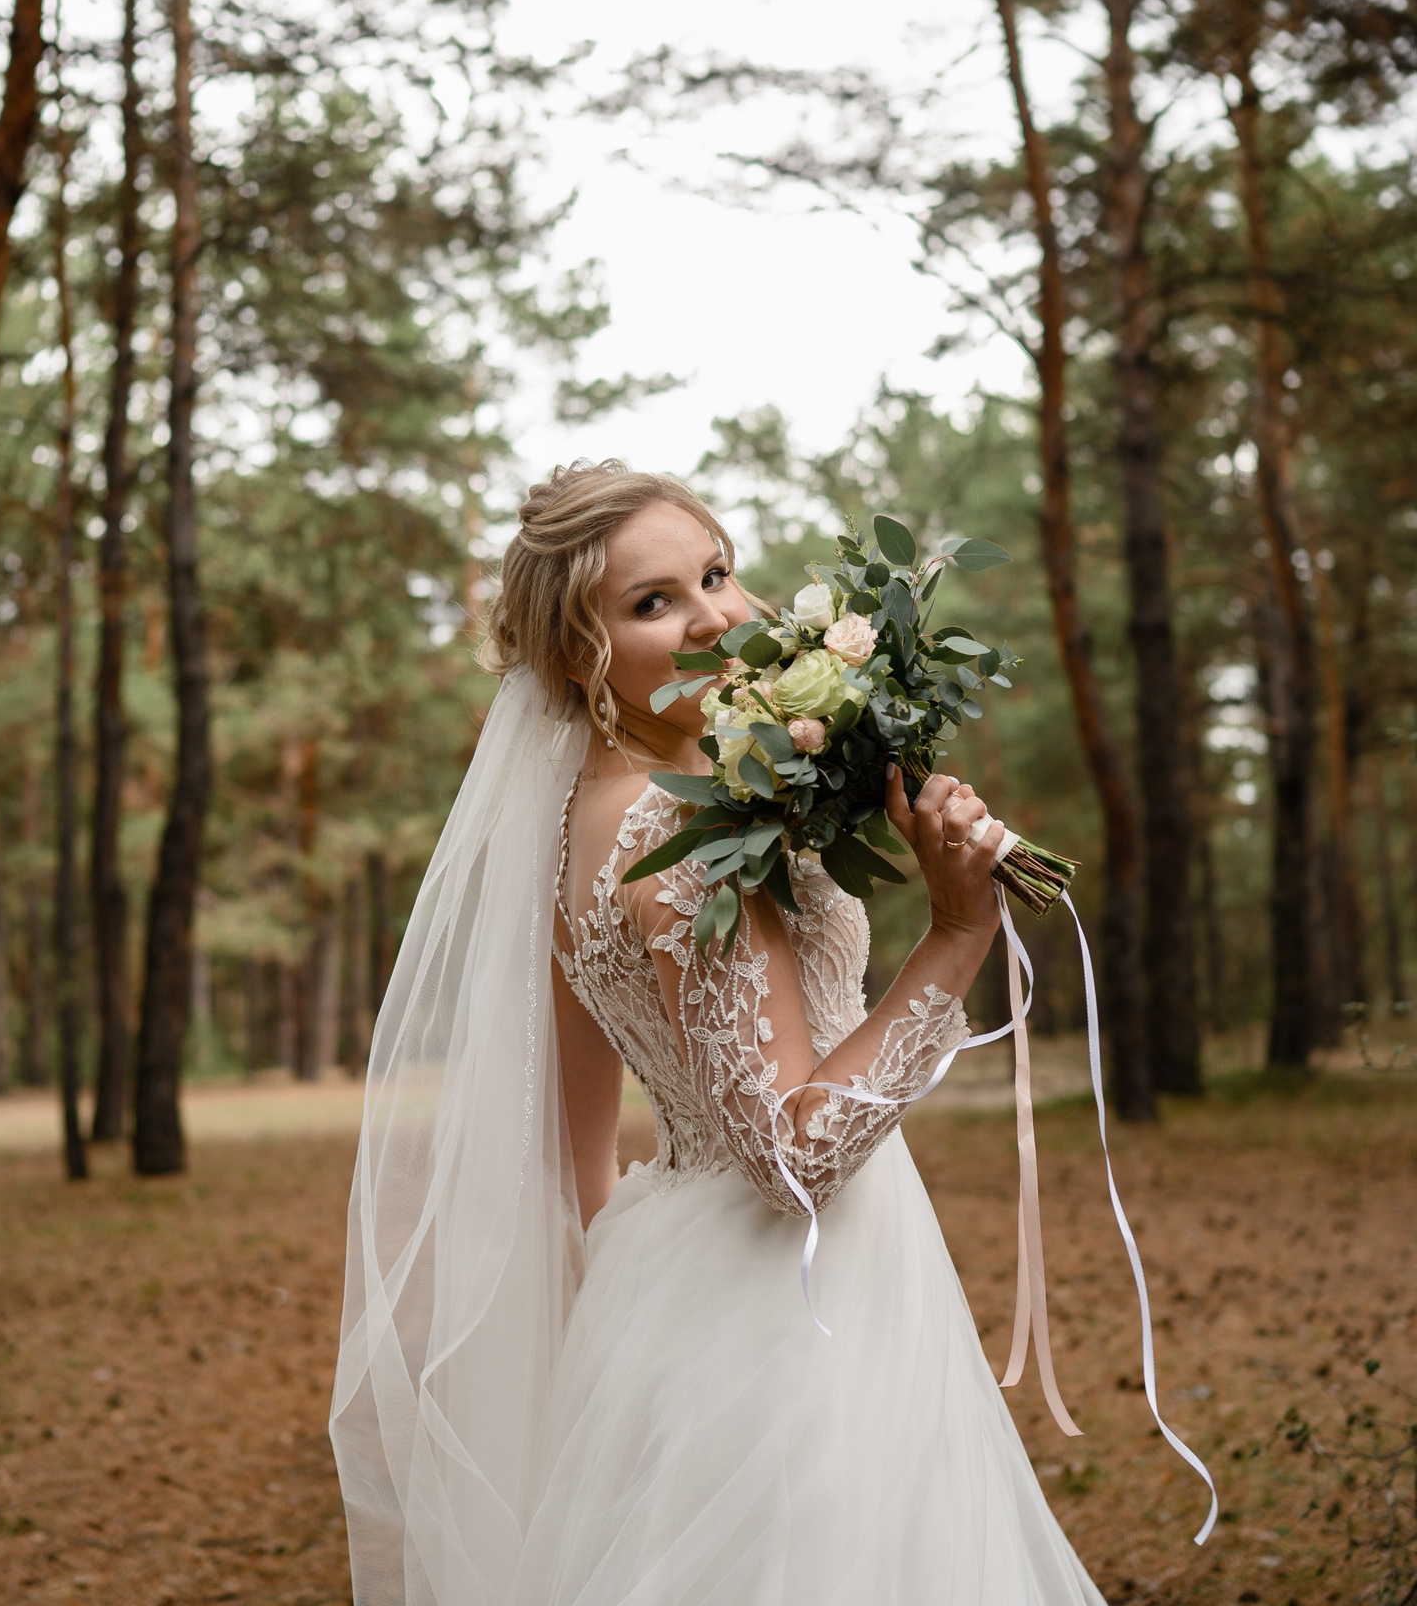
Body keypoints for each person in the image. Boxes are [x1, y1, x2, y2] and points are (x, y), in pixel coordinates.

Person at [332, 461, 1106, 1605]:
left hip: (673, 1283)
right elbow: (793, 1158)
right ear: (574, 655)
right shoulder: (687, 844)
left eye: (715, 573)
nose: (716, 618)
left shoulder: (577, 827)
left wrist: (639, 1320)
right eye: (652, 603)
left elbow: (574, 1141)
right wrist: (951, 935)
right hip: (793, 1305)